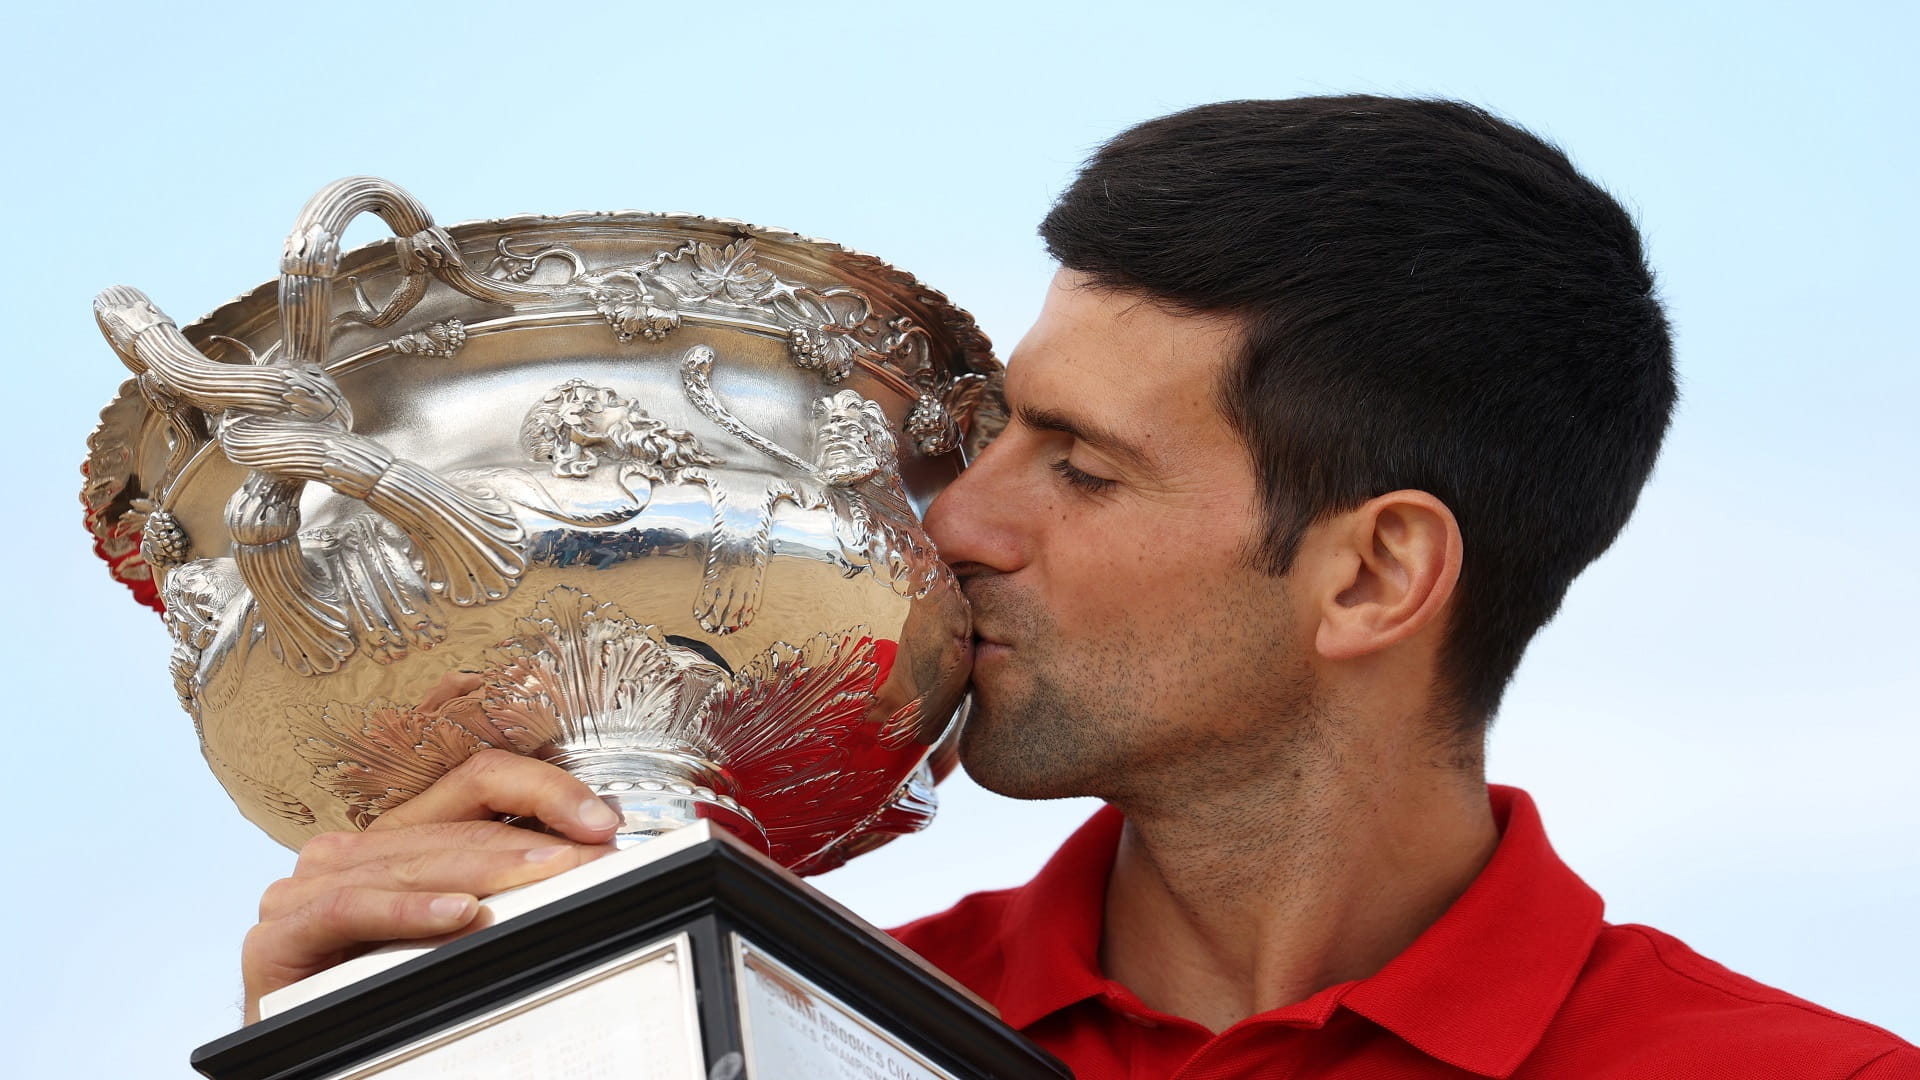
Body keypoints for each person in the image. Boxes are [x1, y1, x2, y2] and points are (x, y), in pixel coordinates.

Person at [239, 97, 1919, 1077]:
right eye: (985, 439)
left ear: (1376, 573)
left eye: (1080, 466)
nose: (955, 522)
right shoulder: (797, 1030)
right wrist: (425, 1038)